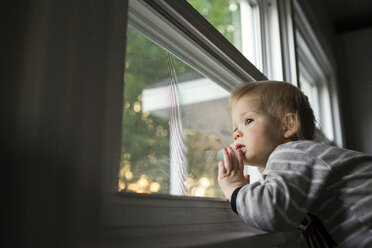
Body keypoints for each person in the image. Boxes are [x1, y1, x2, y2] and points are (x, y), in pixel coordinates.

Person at [217, 81, 372, 248]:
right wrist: (249, 195)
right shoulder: (295, 167)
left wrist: (235, 189)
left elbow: (272, 212)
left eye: (247, 121)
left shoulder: (292, 152)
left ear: (288, 125)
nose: (237, 134)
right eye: (234, 129)